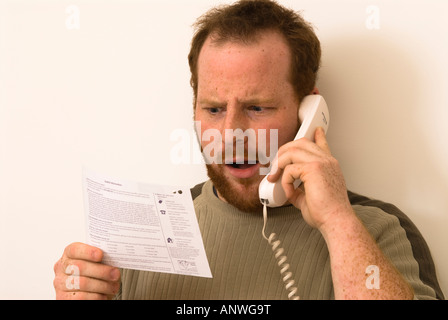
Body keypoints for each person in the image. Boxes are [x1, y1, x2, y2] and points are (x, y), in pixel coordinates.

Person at [53, 0, 444, 300]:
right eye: (214, 109)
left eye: (257, 107)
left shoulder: (377, 230)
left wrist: (338, 224)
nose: (230, 134)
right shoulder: (145, 232)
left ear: (310, 112)